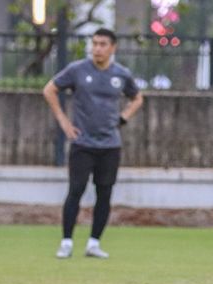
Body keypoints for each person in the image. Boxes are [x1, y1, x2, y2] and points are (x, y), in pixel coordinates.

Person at [43, 28, 143, 259]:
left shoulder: (121, 74)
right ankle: (66, 242)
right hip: (82, 143)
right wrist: (64, 121)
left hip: (110, 145)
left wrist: (123, 118)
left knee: (104, 193)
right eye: (95, 43)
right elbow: (49, 89)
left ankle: (94, 243)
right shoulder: (77, 70)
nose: (97, 48)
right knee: (76, 190)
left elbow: (137, 98)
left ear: (112, 48)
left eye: (102, 44)